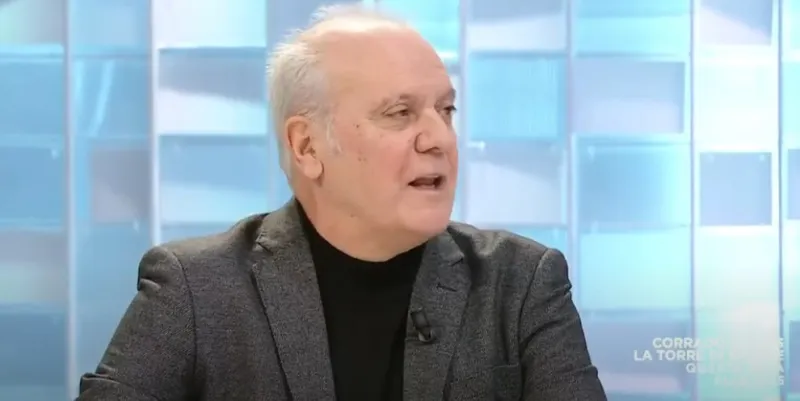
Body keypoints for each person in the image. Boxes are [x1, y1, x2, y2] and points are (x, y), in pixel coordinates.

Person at [76, 4, 606, 401]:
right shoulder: (196, 291)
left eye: (445, 111)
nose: (439, 139)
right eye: (400, 113)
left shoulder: (522, 284)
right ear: (307, 147)